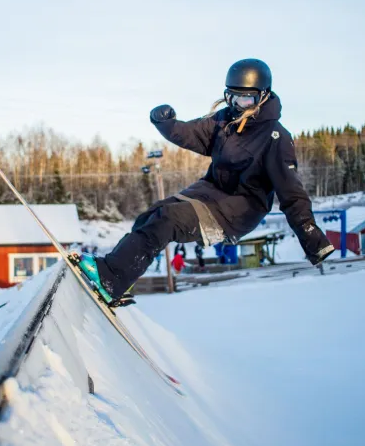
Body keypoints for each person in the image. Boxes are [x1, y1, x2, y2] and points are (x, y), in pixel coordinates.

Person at [78, 58, 334, 305]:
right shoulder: (225, 120)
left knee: (166, 220)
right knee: (149, 217)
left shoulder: (275, 137)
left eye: (247, 99)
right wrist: (165, 123)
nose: (239, 105)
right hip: (209, 193)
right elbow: (191, 133)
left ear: (263, 95)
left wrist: (312, 238)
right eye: (233, 97)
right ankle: (120, 278)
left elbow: (292, 194)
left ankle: (111, 278)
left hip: (238, 209)